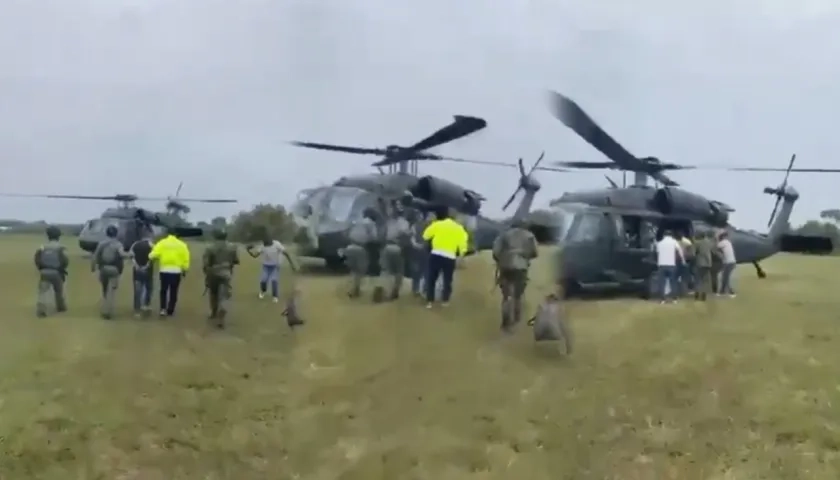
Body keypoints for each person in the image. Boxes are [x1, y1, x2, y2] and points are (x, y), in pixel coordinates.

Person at [492, 219, 538, 333]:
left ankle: (506, 324)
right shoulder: (529, 236)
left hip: (505, 266)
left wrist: (501, 260)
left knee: (506, 296)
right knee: (518, 295)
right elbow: (535, 253)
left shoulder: (504, 235)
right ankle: (517, 318)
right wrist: (525, 256)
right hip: (521, 268)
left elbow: (496, 252)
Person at [421, 206, 469, 308]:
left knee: (432, 279)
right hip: (450, 257)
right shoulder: (459, 228)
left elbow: (425, 236)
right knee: (447, 280)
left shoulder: (438, 224)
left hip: (436, 254)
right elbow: (463, 244)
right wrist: (461, 255)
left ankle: (429, 301)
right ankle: (445, 301)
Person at [202, 228, 239, 328]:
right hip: (226, 272)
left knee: (213, 293)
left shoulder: (210, 247)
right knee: (224, 295)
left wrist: (206, 272)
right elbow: (236, 261)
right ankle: (221, 314)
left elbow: (206, 263)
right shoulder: (232, 247)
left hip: (213, 272)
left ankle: (214, 312)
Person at [373, 206, 411, 302]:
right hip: (398, 248)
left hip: (387, 247)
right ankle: (394, 292)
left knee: (385, 270)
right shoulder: (404, 222)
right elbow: (406, 235)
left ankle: (380, 287)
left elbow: (381, 235)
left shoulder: (389, 222)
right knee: (399, 271)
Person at [149, 229, 190, 317]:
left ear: (168, 234)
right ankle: (171, 309)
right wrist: (185, 268)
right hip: (176, 271)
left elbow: (153, 255)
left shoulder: (162, 243)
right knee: (174, 290)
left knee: (163, 290)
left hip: (164, 270)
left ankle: (163, 309)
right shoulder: (182, 245)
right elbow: (186, 258)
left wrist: (152, 258)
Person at [246, 235, 296, 303]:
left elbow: (286, 253)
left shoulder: (277, 244)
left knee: (274, 280)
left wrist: (292, 264)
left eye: (266, 243)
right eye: (264, 243)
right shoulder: (262, 246)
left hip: (275, 265)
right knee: (263, 280)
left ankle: (275, 296)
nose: (264, 244)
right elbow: (255, 255)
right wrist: (248, 251)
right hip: (266, 266)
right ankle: (263, 291)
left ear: (270, 241)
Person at [90, 225, 125, 319]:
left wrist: (93, 268)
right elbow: (122, 254)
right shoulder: (118, 244)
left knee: (105, 290)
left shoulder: (102, 244)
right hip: (115, 269)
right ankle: (109, 310)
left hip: (104, 269)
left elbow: (95, 256)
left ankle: (104, 308)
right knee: (112, 291)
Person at [34, 225, 69, 317]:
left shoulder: (42, 247)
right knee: (59, 290)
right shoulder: (61, 247)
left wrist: (41, 268)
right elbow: (65, 261)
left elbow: (37, 259)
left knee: (43, 291)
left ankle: (41, 308)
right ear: (58, 236)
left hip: (44, 271)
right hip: (56, 272)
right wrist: (62, 269)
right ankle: (60, 306)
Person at [345, 208, 378, 298]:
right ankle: (355, 290)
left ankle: (352, 288)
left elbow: (347, 233)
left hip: (350, 247)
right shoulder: (371, 223)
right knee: (360, 270)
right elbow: (374, 237)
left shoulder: (356, 221)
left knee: (353, 270)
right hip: (361, 248)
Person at [655, 229, 684, 304]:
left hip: (662, 264)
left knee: (662, 283)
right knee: (673, 282)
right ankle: (674, 299)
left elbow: (657, 253)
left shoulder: (659, 243)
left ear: (664, 235)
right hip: (671, 264)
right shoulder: (674, 242)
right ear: (671, 235)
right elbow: (680, 251)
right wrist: (683, 260)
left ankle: (662, 299)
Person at [129, 233, 154, 318]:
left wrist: (136, 265)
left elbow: (131, 255)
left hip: (137, 270)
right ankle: (146, 305)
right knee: (148, 288)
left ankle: (137, 310)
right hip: (148, 270)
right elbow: (152, 257)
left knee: (137, 291)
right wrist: (146, 265)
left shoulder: (135, 244)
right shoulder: (151, 245)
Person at [692, 230, 714, 301]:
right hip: (708, 263)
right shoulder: (709, 242)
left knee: (698, 279)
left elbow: (693, 253)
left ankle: (697, 294)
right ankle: (704, 295)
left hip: (700, 263)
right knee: (706, 280)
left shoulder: (697, 243)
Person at [717, 231, 737, 297]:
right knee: (724, 277)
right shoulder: (728, 242)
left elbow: (716, 247)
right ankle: (721, 292)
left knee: (726, 278)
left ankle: (731, 292)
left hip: (728, 263)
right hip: (731, 262)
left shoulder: (722, 243)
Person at [675, 231, 694, 295]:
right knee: (677, 275)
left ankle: (689, 289)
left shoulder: (687, 241)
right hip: (678, 260)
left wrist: (687, 257)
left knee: (687, 275)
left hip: (685, 260)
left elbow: (690, 251)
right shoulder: (675, 241)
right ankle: (678, 290)